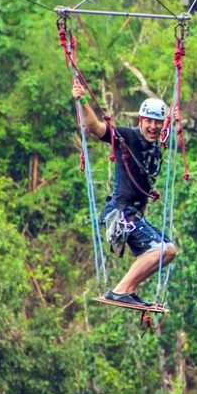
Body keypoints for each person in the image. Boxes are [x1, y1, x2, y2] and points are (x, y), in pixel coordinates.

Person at [72, 81, 178, 307]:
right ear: (141, 121)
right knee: (159, 250)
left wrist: (174, 119)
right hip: (120, 213)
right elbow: (95, 127)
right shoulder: (126, 137)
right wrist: (82, 101)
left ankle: (128, 289)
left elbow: (169, 134)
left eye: (157, 123)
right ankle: (120, 290)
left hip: (134, 216)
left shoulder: (157, 144)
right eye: (148, 121)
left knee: (169, 251)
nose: (153, 126)